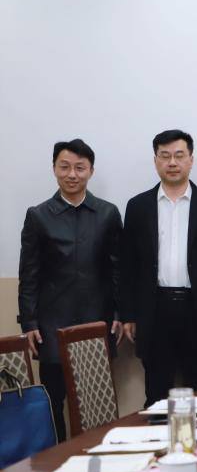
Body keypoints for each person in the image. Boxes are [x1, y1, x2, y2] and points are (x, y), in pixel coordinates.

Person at [18, 139, 123, 441]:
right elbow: (29, 275)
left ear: (91, 171)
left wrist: (120, 313)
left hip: (96, 321)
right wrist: (29, 323)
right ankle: (55, 463)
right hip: (51, 326)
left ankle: (95, 460)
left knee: (96, 403)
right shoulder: (38, 215)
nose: (72, 174)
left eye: (80, 168)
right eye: (65, 167)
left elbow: (118, 270)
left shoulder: (107, 213)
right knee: (52, 403)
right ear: (54, 169)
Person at [120, 130, 197, 407]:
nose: (172, 162)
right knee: (156, 393)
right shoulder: (138, 206)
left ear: (191, 160)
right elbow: (128, 265)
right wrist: (129, 314)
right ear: (156, 161)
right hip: (154, 310)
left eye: (179, 155)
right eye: (165, 156)